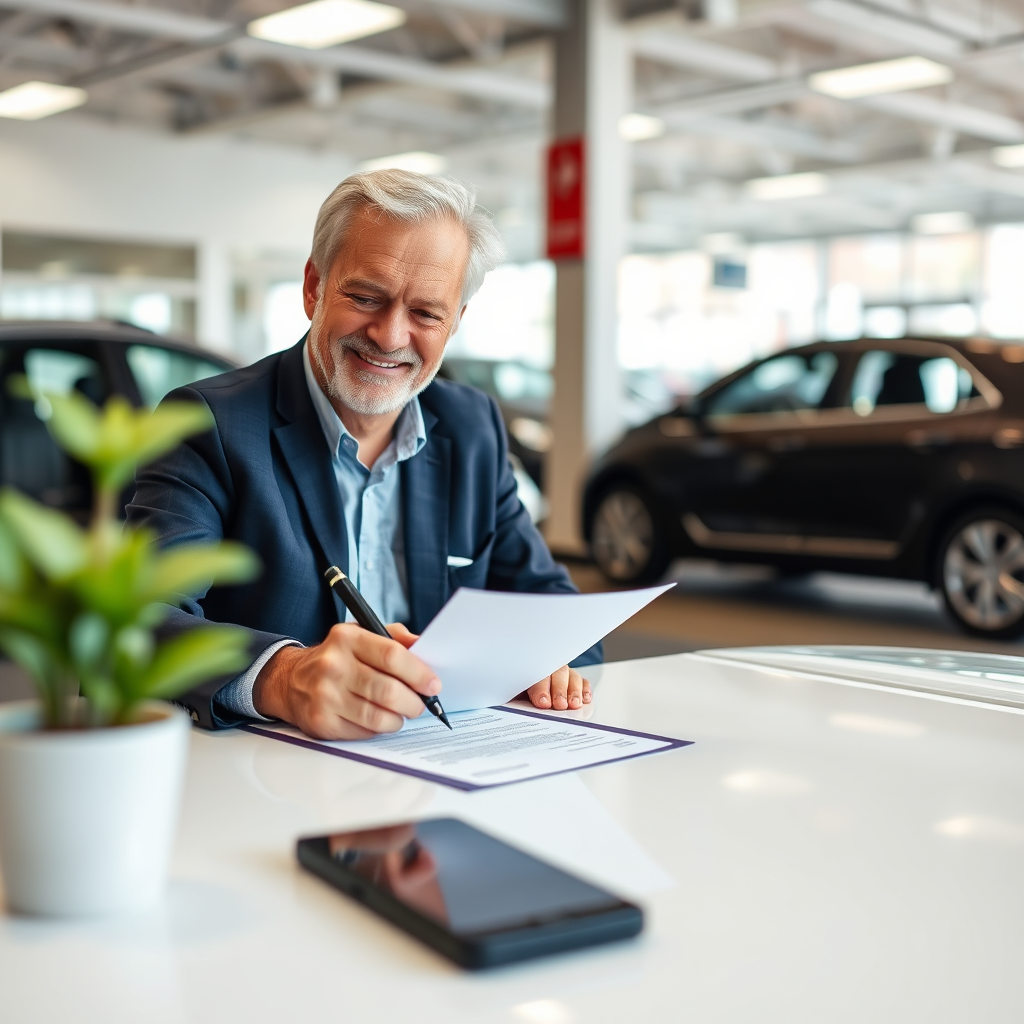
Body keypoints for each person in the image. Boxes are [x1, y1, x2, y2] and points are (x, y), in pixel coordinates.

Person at [128, 169, 600, 740]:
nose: (390, 335)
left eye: (426, 312)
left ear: (454, 323)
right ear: (313, 288)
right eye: (365, 297)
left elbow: (557, 611)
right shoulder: (209, 424)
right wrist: (281, 676)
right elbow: (134, 625)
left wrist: (541, 657)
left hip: (441, 768)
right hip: (267, 785)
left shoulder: (473, 427)